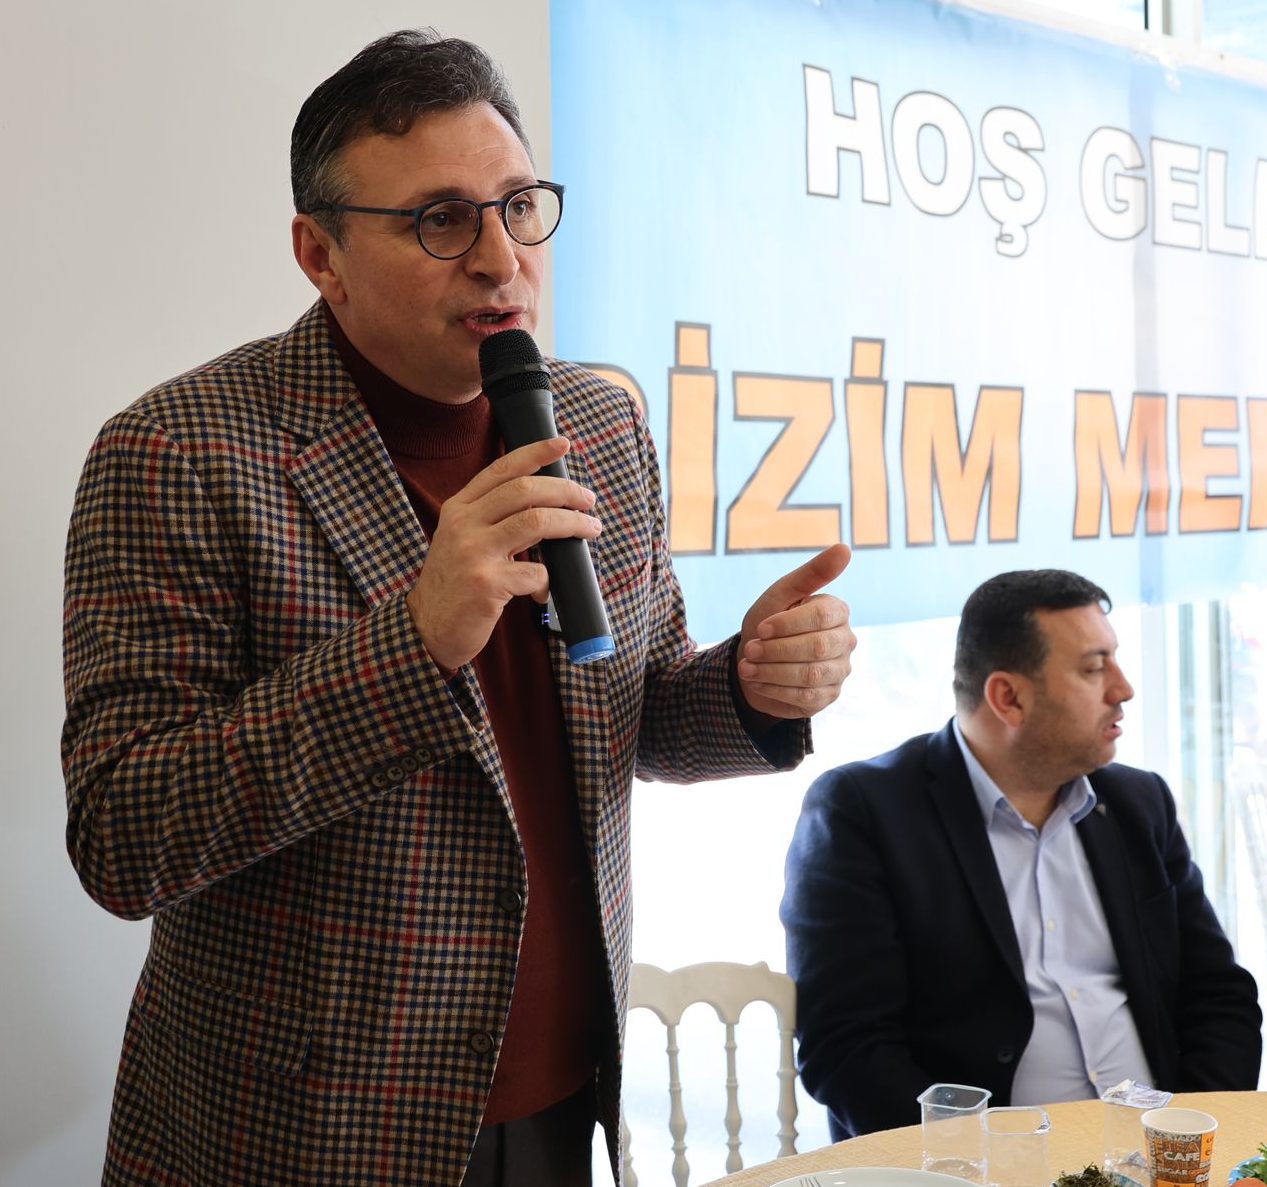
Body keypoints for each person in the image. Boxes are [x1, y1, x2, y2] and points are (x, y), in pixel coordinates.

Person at [60, 31, 855, 1187]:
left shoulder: (598, 423)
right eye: (441, 220)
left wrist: (747, 686)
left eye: (519, 207)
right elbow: (124, 837)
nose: (500, 259)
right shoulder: (178, 450)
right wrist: (413, 641)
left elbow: (635, 715)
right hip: (304, 1135)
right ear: (320, 253)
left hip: (563, 1103)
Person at [781, 570, 1262, 1141]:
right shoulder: (865, 812)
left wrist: (1182, 1142)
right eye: (1094, 668)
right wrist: (982, 1163)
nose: (1123, 688)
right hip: (978, 1166)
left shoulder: (1138, 802)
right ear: (1008, 698)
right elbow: (847, 1048)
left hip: (1158, 1155)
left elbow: (1219, 996)